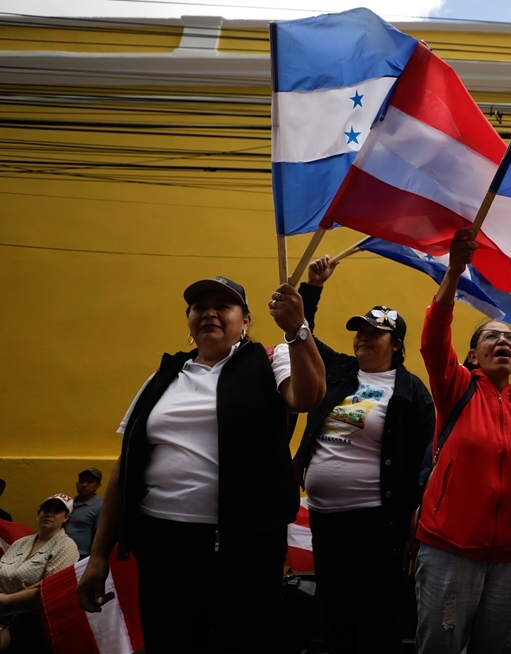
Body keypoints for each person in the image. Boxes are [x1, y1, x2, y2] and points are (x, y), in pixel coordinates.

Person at [75, 276, 326, 654]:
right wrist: (98, 556)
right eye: (199, 307)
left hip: (245, 550)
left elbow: (307, 396)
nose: (209, 313)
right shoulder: (164, 376)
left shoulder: (270, 359)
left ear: (246, 320)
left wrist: (297, 330)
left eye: (222, 306)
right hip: (162, 547)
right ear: (189, 321)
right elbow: (125, 467)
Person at [414, 229, 511, 654]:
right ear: (472, 355)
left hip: (510, 558)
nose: (503, 341)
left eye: (510, 338)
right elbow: (433, 340)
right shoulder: (457, 387)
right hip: (450, 550)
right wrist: (453, 272)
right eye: (491, 336)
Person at [294, 256, 435, 654]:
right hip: (324, 520)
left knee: (374, 622)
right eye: (360, 331)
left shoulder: (411, 393)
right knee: (333, 619)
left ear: (397, 345)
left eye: (376, 333)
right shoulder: (338, 370)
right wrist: (313, 287)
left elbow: (422, 466)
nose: (364, 338)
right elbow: (302, 334)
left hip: (375, 525)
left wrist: (409, 529)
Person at [0, 493, 79, 654]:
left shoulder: (66, 546)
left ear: (66, 518)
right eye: (46, 510)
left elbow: (51, 588)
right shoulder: (20, 543)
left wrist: (6, 600)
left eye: (56, 511)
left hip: (30, 622)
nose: (49, 514)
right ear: (38, 514)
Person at [68, 468, 102, 559]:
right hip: (63, 554)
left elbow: (99, 537)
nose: (84, 485)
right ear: (77, 484)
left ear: (97, 485)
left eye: (89, 482)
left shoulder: (100, 507)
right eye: (82, 481)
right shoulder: (68, 504)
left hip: (82, 557)